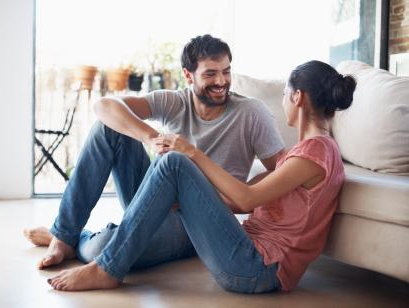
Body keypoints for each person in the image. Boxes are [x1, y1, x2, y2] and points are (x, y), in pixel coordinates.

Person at [42, 60, 356, 292]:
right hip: (246, 256)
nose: (284, 101)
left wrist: (192, 154)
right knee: (172, 163)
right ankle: (71, 237)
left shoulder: (316, 154)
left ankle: (107, 267)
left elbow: (247, 197)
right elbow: (240, 201)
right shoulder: (306, 153)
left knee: (175, 161)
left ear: (298, 97)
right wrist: (189, 200)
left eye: (287, 94)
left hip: (256, 269)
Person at [25, 35, 285, 274]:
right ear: (188, 75)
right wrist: (151, 138)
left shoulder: (251, 113)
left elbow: (281, 171)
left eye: (226, 72)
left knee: (99, 250)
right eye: (210, 74)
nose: (221, 82)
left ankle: (76, 238)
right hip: (151, 197)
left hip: (194, 222)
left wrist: (227, 198)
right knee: (107, 128)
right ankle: (63, 236)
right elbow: (104, 105)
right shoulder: (175, 101)